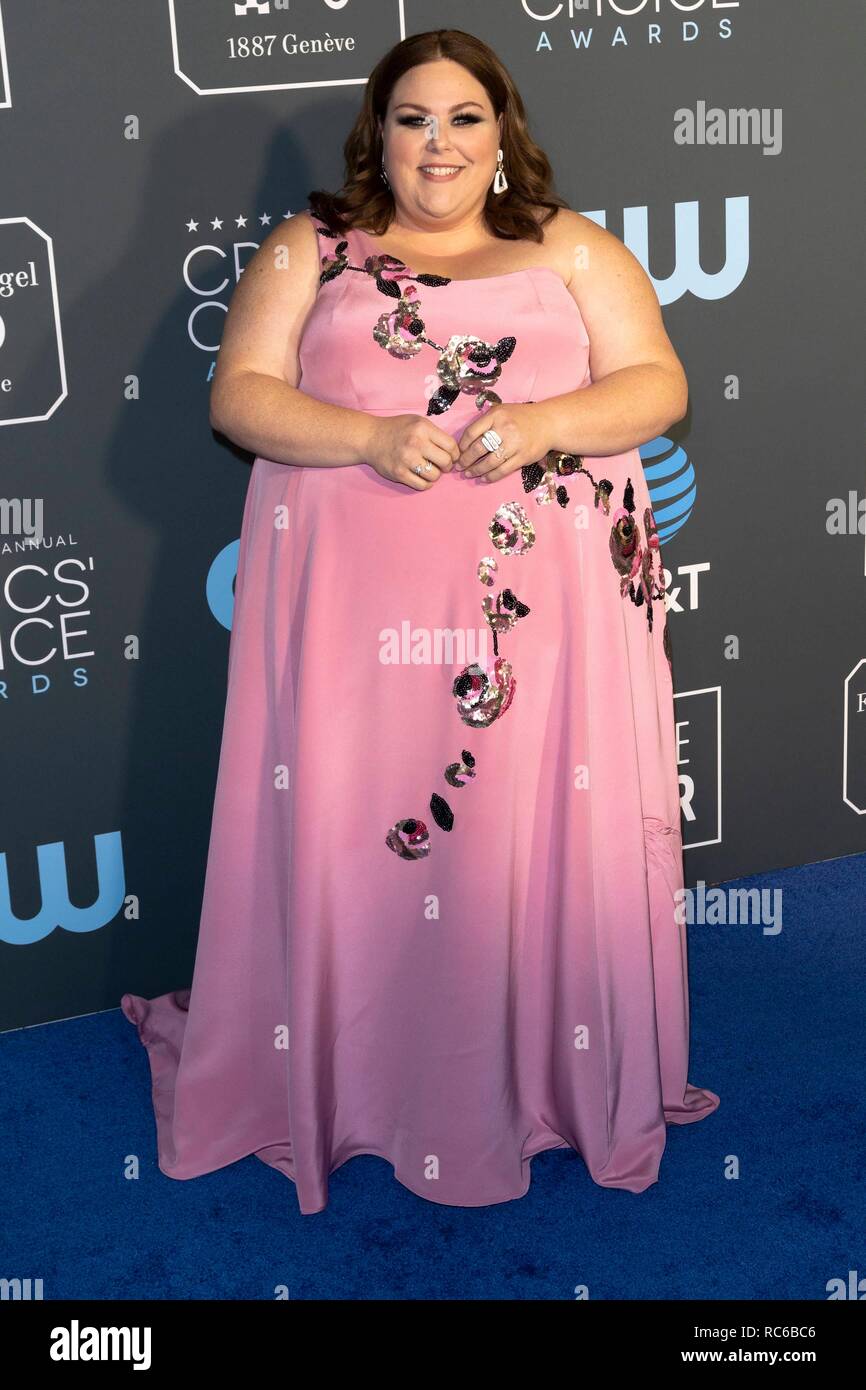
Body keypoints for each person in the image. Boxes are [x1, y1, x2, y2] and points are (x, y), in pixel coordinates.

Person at [121, 28, 719, 1215]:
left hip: (544, 623)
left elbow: (657, 383)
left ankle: (538, 1073)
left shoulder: (571, 246)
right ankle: (359, 1080)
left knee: (522, 828)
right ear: (376, 135)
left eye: (461, 118)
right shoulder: (313, 247)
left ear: (503, 135)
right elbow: (241, 395)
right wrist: (372, 437)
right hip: (357, 619)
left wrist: (547, 419)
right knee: (362, 824)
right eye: (411, 118)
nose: (436, 143)